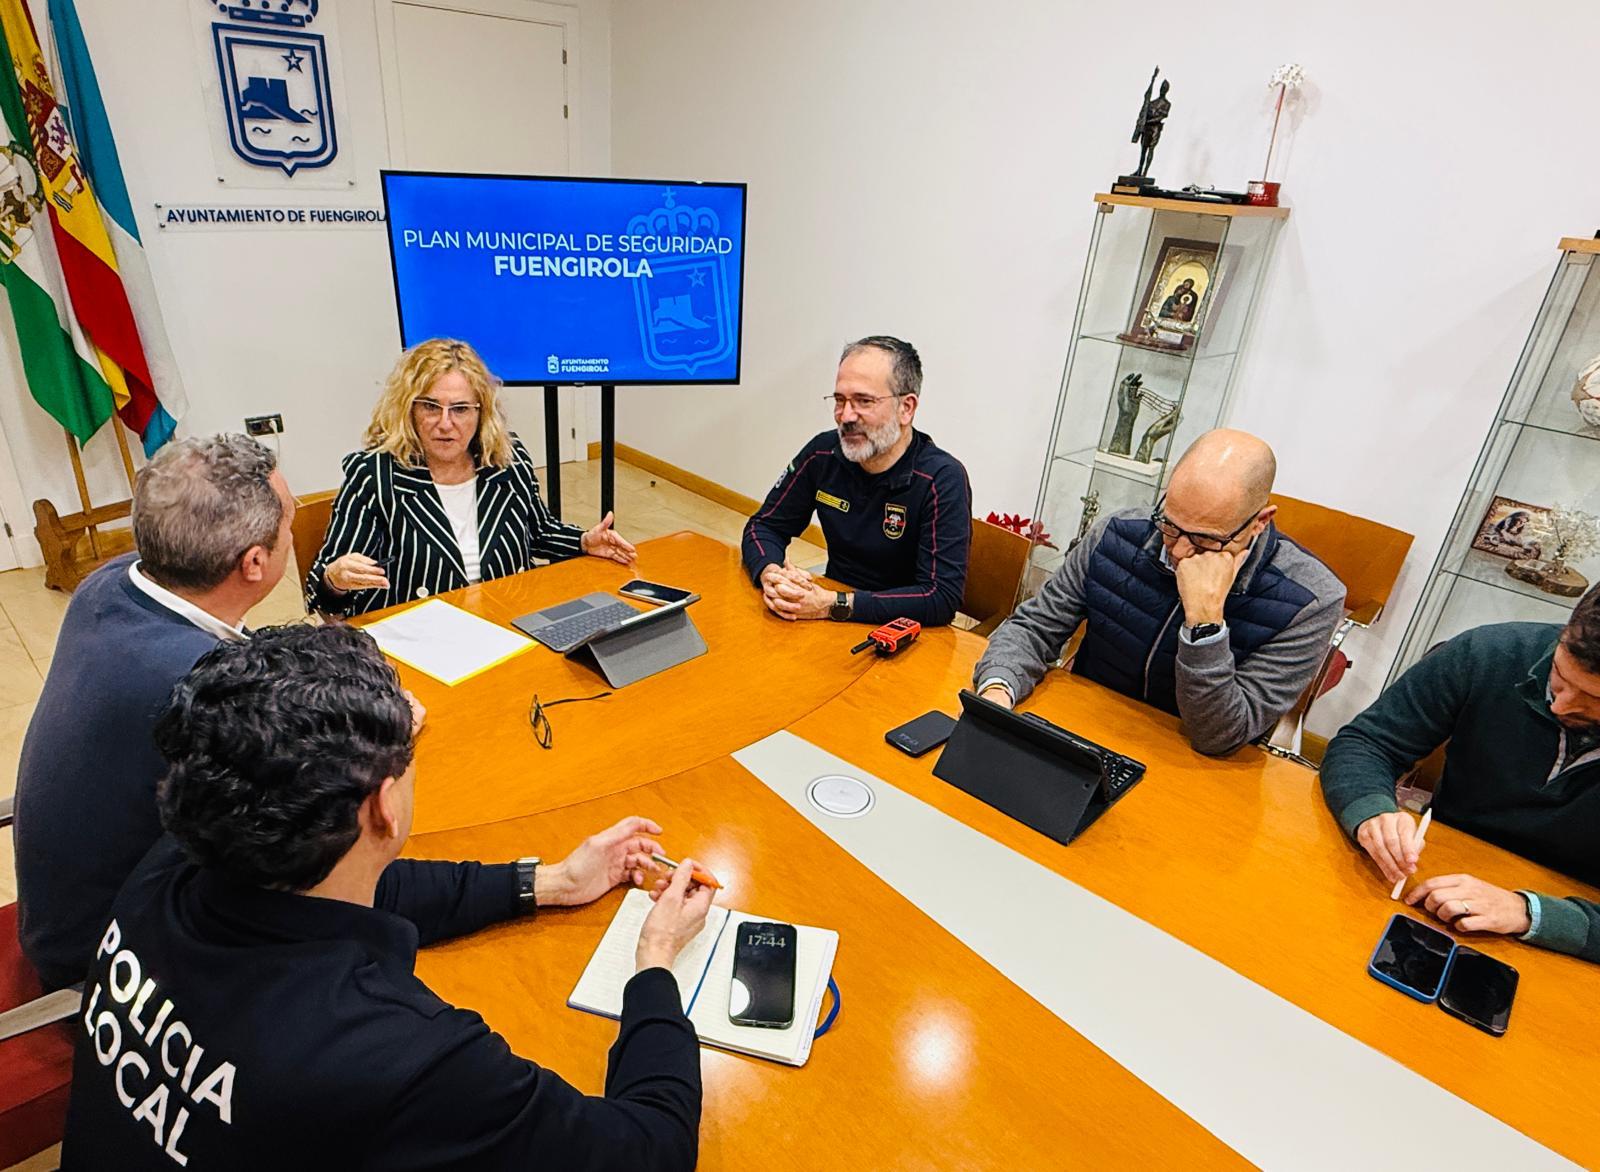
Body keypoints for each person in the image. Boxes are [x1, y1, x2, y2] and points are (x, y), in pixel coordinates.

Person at [60, 624, 713, 1170]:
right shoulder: (408, 1056)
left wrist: (551, 882)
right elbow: (647, 1151)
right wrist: (655, 961)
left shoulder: (183, 852)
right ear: (381, 806)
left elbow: (360, 887)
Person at [14, 434, 295, 990]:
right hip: (114, 964)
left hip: (61, 908)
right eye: (289, 521)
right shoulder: (204, 685)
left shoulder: (110, 585)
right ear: (255, 562)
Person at [974, 429, 1345, 756]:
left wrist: (1205, 625)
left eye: (1204, 539)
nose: (1179, 549)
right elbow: (1035, 626)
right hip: (1084, 732)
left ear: (1258, 523)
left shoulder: (1311, 601)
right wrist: (998, 687)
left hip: (1195, 769)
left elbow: (1220, 735)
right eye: (1170, 523)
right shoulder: (1119, 533)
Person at [1319, 584, 1600, 964]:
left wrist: (1530, 913)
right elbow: (1368, 743)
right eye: (1559, 675)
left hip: (1567, 941)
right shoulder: (1490, 652)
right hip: (1432, 887)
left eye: (1593, 699)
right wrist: (1372, 812)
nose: (1561, 703)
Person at [306, 338, 637, 616]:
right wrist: (336, 579)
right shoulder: (374, 474)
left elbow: (537, 531)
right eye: (430, 407)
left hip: (508, 622)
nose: (446, 423)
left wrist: (582, 542)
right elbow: (325, 587)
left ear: (481, 413)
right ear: (408, 410)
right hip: (419, 640)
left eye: (460, 409)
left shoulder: (507, 458)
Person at [741, 335, 971, 626]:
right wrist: (770, 573)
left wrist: (832, 604)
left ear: (906, 408)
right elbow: (765, 526)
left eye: (864, 401)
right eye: (839, 400)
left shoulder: (941, 478)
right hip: (831, 607)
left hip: (905, 630)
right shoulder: (822, 453)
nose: (846, 416)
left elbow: (941, 597)